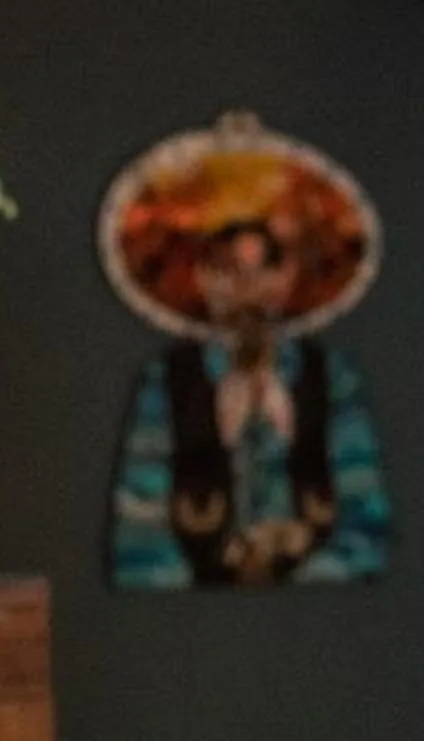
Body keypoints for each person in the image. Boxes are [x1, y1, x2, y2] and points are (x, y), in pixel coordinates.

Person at [108, 219, 393, 589]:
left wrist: (317, 587)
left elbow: (365, 520)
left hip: (318, 615)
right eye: (228, 269)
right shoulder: (170, 379)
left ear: (288, 275)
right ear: (204, 277)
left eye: (267, 267)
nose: (249, 288)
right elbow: (141, 530)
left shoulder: (331, 376)